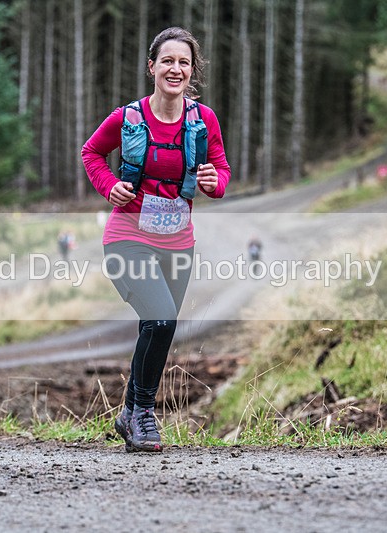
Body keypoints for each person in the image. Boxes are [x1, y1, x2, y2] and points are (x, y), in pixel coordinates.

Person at [81, 27, 230, 452]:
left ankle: (129, 414)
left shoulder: (204, 121)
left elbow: (221, 173)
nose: (175, 69)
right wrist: (109, 186)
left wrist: (211, 182)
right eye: (167, 60)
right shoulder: (128, 118)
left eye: (183, 62)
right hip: (127, 238)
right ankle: (144, 414)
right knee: (162, 317)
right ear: (152, 67)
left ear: (192, 70)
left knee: (159, 326)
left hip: (178, 242)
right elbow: (91, 153)